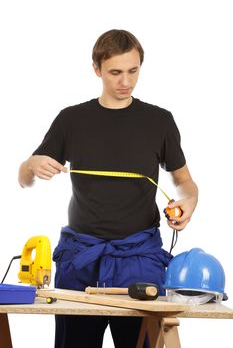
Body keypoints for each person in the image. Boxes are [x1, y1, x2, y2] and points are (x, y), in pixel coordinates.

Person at [18, 29, 198, 348]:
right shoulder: (71, 120)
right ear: (97, 69)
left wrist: (188, 201)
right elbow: (24, 178)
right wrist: (32, 165)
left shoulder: (160, 121)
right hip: (80, 259)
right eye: (115, 72)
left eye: (133, 71)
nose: (125, 81)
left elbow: (185, 183)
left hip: (139, 260)